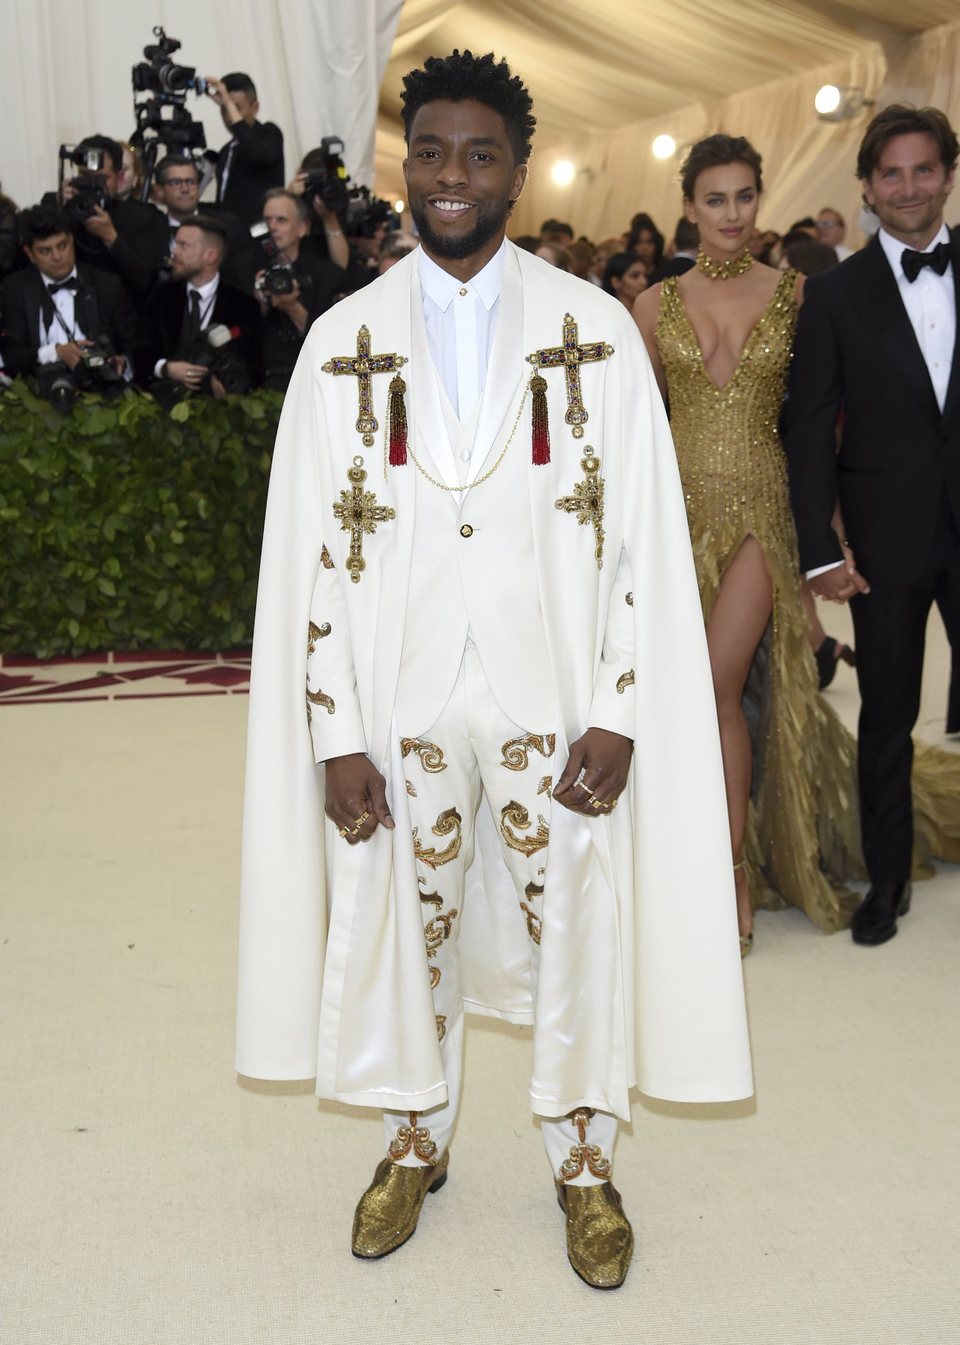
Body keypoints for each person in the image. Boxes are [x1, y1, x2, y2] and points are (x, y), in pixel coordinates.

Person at [236, 49, 752, 1291]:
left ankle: (583, 1160)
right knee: (404, 928)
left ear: (516, 173)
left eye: (479, 156)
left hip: (553, 695)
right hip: (399, 696)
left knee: (569, 914)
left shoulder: (592, 331)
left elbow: (638, 537)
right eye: (431, 152)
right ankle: (413, 1135)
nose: (452, 177)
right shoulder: (340, 342)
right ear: (402, 165)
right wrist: (332, 731)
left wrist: (622, 711)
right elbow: (304, 556)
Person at [635, 131, 960, 955]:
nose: (733, 214)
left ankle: (730, 873)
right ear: (689, 207)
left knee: (714, 683)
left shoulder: (799, 295)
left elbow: (817, 423)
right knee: (680, 692)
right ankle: (697, 856)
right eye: (716, 199)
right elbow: (633, 425)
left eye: (746, 196)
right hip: (673, 511)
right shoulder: (650, 306)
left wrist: (824, 536)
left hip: (760, 508)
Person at [785, 104, 960, 946]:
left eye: (924, 169)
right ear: (865, 186)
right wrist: (819, 550)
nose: (908, 187)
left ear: (948, 176)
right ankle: (887, 880)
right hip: (888, 537)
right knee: (887, 713)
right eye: (891, 173)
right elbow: (810, 427)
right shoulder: (831, 295)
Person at [1, 204, 135, 384]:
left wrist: (122, 363)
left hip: (102, 393)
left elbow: (134, 348)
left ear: (72, 241)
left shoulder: (106, 285)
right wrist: (56, 353)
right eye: (45, 251)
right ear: (30, 254)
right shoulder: (15, 289)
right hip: (39, 396)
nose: (57, 257)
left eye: (62, 246)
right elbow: (12, 357)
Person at [134, 214, 261, 398]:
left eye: (184, 245)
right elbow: (140, 350)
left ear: (210, 255)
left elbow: (254, 366)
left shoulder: (242, 305)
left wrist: (223, 384)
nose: (174, 252)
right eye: (176, 244)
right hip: (163, 406)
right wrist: (166, 368)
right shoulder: (161, 295)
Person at [245, 189, 344, 391]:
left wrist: (292, 307)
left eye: (281, 220)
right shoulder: (242, 268)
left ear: (302, 228)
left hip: (311, 383)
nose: (272, 227)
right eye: (267, 221)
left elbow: (331, 345)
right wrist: (259, 306)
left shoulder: (327, 276)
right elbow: (242, 340)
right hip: (258, 386)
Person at [46, 134, 168, 298]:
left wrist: (111, 237)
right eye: (85, 176)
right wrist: (59, 208)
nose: (92, 185)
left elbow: (146, 282)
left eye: (102, 179)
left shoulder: (144, 217)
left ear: (118, 178)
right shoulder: (57, 207)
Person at [206, 73, 284, 228]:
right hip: (231, 236)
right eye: (224, 109)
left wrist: (227, 102)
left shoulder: (269, 134)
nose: (229, 117)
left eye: (236, 108)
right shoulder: (226, 151)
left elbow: (257, 153)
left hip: (262, 233)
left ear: (255, 107)